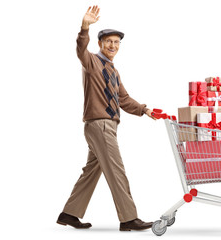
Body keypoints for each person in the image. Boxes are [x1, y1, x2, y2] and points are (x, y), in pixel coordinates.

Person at [57, 5, 155, 231]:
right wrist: (84, 28)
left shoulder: (113, 70)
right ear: (100, 44)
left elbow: (124, 99)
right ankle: (129, 218)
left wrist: (144, 110)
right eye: (108, 41)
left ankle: (69, 213)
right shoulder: (91, 62)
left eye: (116, 42)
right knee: (116, 169)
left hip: (107, 126)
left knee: (93, 170)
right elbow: (81, 49)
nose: (113, 45)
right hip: (99, 125)